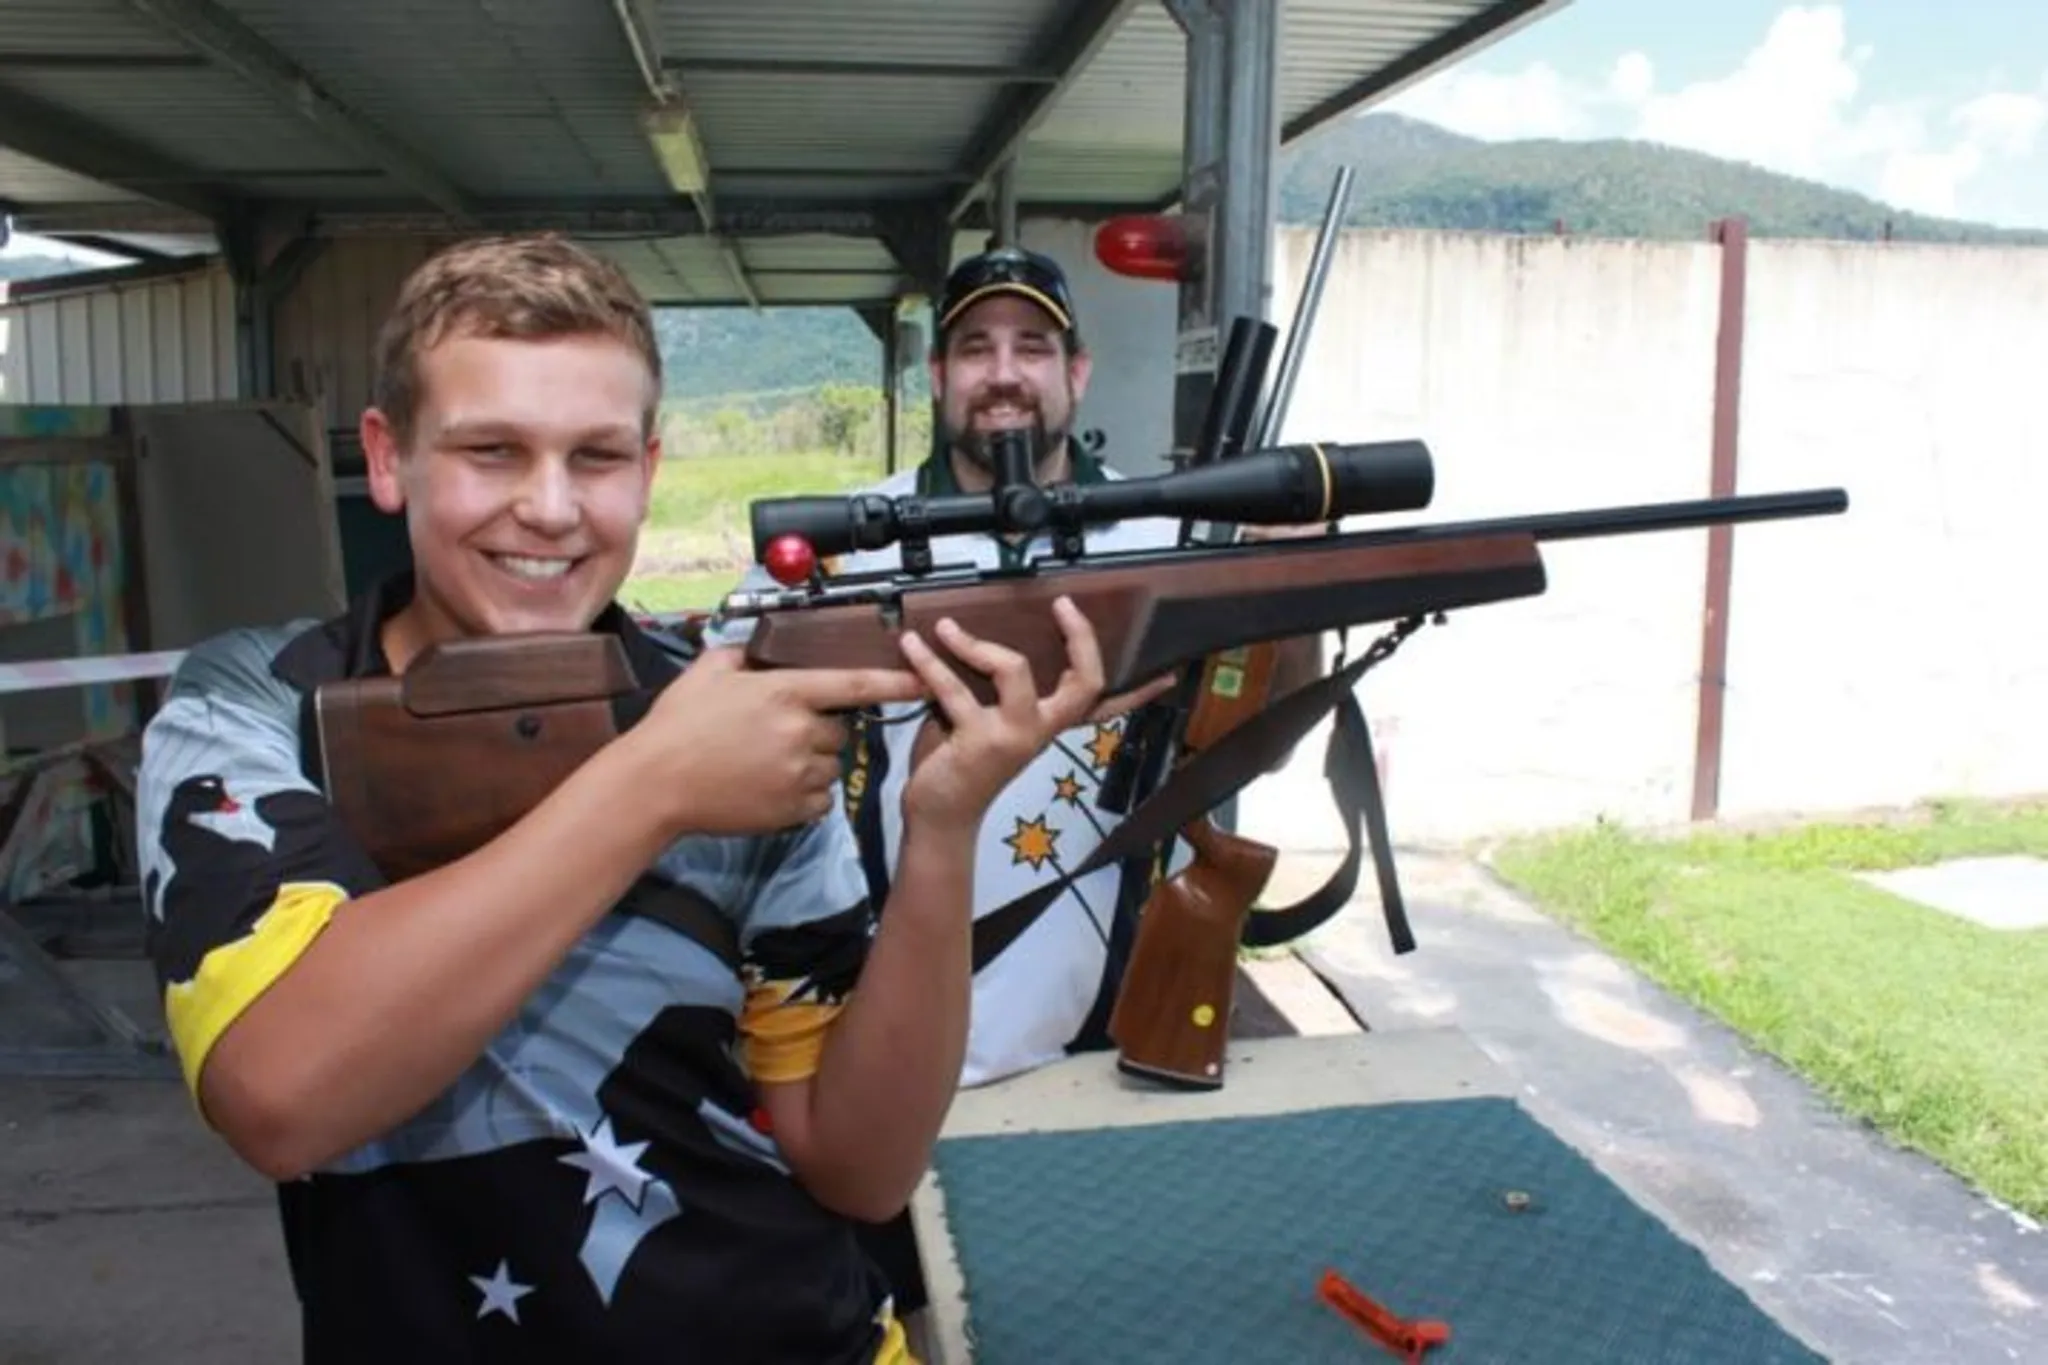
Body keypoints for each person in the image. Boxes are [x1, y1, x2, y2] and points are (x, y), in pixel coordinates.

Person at [131, 232, 1112, 1365]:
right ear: (388, 458)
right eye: (492, 450)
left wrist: (942, 830)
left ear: (647, 472)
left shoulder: (726, 711)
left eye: (594, 457)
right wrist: (654, 783)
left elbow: (862, 1168)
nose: (550, 508)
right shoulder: (258, 704)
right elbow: (278, 1091)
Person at [714, 244, 1326, 1094]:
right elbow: (721, 748)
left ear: (1077, 373)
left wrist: (1293, 597)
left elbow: (1266, 743)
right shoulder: (843, 550)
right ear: (938, 375)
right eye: (976, 348)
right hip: (873, 1054)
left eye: (1033, 346)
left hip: (1103, 1052)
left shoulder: (1172, 539)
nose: (1004, 373)